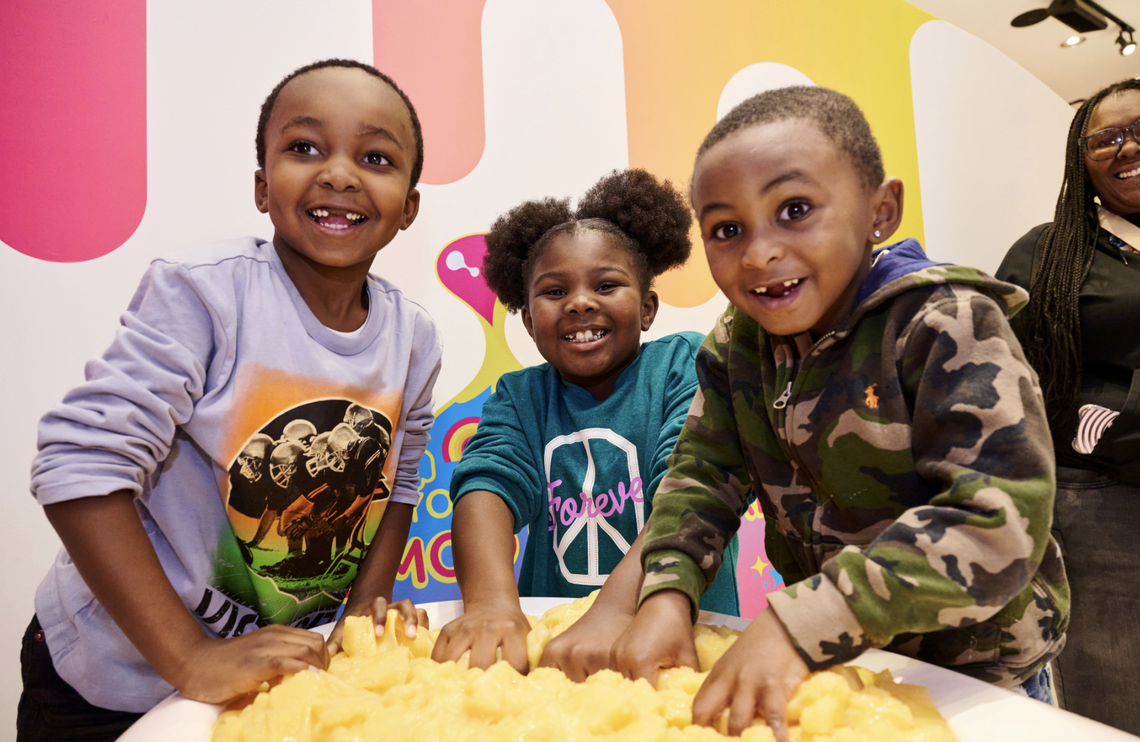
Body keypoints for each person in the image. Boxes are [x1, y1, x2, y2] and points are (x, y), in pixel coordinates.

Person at [610, 86, 1069, 740]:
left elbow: (999, 525)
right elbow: (703, 478)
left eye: (794, 209)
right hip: (846, 665)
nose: (759, 252)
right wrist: (665, 591)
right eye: (726, 229)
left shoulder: (946, 324)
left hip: (982, 676)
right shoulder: (734, 345)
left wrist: (802, 620)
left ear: (880, 211)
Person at [18, 59, 440, 741]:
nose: (338, 173)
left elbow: (403, 477)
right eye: (304, 148)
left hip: (258, 680)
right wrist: (189, 656)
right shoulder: (204, 294)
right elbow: (79, 463)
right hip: (109, 684)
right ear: (262, 188)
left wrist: (364, 609)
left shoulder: (414, 337)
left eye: (376, 156)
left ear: (409, 206)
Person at [432, 169, 741, 680]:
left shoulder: (682, 365)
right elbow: (486, 485)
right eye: (554, 291)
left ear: (646, 308)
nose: (579, 302)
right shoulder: (520, 396)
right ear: (528, 321)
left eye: (605, 285)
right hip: (555, 653)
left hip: (682, 638)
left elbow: (691, 489)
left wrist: (616, 611)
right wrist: (490, 603)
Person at [996, 78, 1140, 734]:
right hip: (1101, 502)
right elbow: (1003, 381)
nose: (1125, 146)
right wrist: (1094, 431)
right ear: (1079, 161)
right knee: (1112, 698)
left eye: (1137, 129)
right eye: (1103, 139)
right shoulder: (1045, 253)